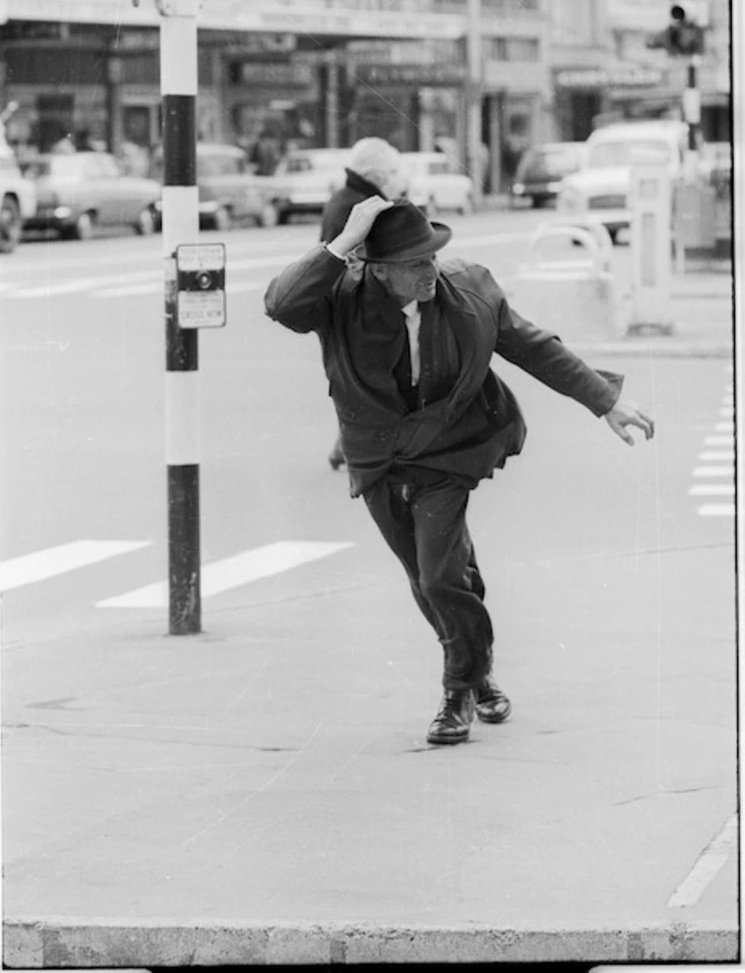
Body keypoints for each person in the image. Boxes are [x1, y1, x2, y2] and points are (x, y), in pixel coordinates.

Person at [264, 197, 654, 747]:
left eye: (432, 257)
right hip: (376, 454)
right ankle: (479, 669)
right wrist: (342, 241)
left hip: (449, 450)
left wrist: (603, 400)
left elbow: (534, 347)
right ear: (378, 268)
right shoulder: (340, 297)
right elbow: (280, 305)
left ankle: (456, 691)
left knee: (440, 577)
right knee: (429, 578)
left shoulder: (469, 291)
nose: (430, 271)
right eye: (414, 263)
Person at [319, 138, 410, 469]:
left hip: (341, 305)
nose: (398, 178)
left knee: (361, 380)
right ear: (375, 174)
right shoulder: (363, 207)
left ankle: (346, 445)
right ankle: (351, 446)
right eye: (393, 171)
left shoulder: (344, 200)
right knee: (375, 378)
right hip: (359, 307)